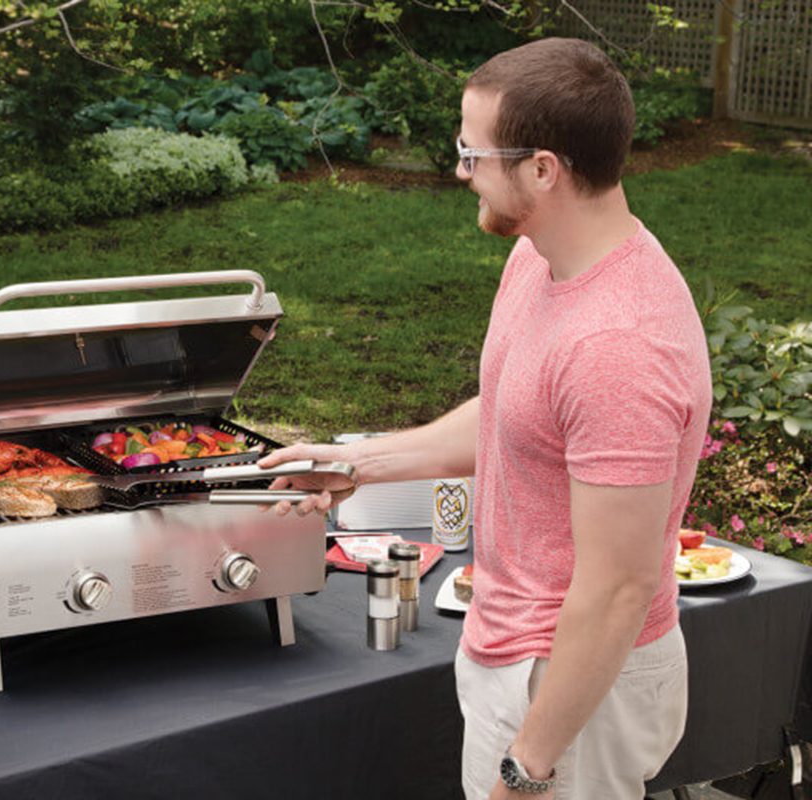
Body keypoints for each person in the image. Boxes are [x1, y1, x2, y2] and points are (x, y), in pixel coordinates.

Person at [262, 38, 711, 799]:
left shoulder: (619, 348)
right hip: (518, 650)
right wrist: (358, 464)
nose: (459, 169)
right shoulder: (540, 256)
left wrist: (528, 770)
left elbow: (618, 589)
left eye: (473, 154)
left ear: (543, 169)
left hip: (573, 685)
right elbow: (517, 414)